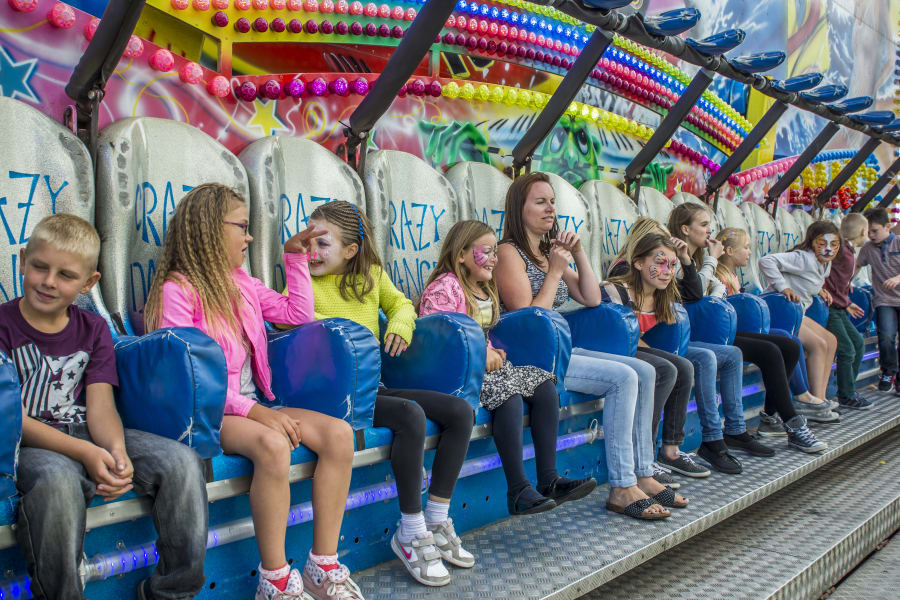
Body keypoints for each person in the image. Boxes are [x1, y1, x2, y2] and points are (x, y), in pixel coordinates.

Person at [144, 184, 362, 600]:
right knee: (273, 444)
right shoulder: (178, 290)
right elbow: (187, 376)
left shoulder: (242, 282)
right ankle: (274, 580)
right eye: (241, 227)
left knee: (339, 435)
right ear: (210, 229)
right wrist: (256, 412)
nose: (248, 237)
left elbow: (297, 314)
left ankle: (322, 566)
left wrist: (294, 257)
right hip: (208, 412)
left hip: (254, 405)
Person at [5, 214, 208, 600]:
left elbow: (100, 406)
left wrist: (116, 452)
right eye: (40, 267)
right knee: (57, 483)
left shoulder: (93, 328)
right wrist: (86, 453)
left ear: (88, 282)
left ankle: (173, 591)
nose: (49, 282)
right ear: (23, 261)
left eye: (66, 275)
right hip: (27, 443)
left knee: (182, 461)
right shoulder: (2, 325)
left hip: (86, 431)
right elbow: (12, 419)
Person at [282, 200, 476, 587]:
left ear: (351, 250)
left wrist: (401, 324)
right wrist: (342, 332)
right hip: (332, 396)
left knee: (459, 412)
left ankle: (436, 519)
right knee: (409, 415)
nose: (312, 250)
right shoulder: (302, 277)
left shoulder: (371, 275)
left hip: (371, 387)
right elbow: (294, 317)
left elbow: (401, 304)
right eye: (308, 240)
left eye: (323, 243)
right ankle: (411, 530)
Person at [494, 172, 686, 521]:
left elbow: (592, 297)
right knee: (624, 378)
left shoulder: (547, 252)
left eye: (552, 202)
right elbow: (528, 318)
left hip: (561, 347)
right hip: (531, 357)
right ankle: (622, 487)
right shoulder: (509, 253)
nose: (550, 208)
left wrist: (578, 253)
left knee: (645, 371)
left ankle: (643, 472)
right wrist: (555, 272)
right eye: (540, 202)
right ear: (519, 208)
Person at [419, 220, 597, 517]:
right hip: (458, 374)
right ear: (461, 254)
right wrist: (482, 353)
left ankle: (549, 479)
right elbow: (440, 338)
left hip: (485, 368)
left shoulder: (481, 288)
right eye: (485, 252)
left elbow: (481, 332)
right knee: (509, 396)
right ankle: (518, 490)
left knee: (544, 385)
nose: (493, 259)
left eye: (495, 253)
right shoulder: (444, 288)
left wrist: (492, 349)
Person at [667, 204, 774, 472]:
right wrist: (711, 260)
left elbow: (704, 290)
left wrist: (706, 265)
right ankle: (712, 439)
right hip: (671, 334)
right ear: (685, 229)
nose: (709, 230)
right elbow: (696, 292)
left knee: (734, 354)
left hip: (689, 330)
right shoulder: (672, 257)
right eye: (704, 225)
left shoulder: (694, 258)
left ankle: (735, 429)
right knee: (706, 358)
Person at [713, 228, 828, 453]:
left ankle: (769, 416)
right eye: (746, 247)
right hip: (720, 334)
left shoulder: (732, 275)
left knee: (790, 345)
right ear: (729, 251)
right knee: (771, 350)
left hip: (735, 329)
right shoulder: (717, 274)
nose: (750, 252)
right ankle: (793, 423)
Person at [758, 221, 840, 412]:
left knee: (831, 340)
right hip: (781, 313)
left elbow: (808, 279)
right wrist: (783, 287)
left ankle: (820, 397)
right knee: (818, 344)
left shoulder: (825, 264)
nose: (828, 249)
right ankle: (812, 402)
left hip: (798, 312)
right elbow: (766, 261)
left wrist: (819, 290)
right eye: (822, 243)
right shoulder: (803, 258)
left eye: (834, 244)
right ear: (812, 242)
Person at [823, 213, 871, 410]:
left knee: (858, 343)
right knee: (846, 349)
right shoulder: (841, 250)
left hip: (840, 307)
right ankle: (846, 394)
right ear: (863, 231)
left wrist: (846, 301)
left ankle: (848, 388)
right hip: (830, 308)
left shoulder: (847, 251)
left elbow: (837, 281)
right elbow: (827, 278)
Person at [858, 207, 900, 394]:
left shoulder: (898, 242)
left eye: (875, 231)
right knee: (886, 336)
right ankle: (888, 371)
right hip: (884, 300)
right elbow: (856, 266)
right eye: (868, 232)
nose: (871, 235)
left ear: (888, 227)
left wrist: (897, 278)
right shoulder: (867, 248)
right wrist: (845, 284)